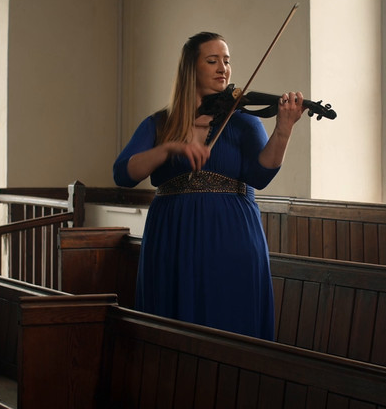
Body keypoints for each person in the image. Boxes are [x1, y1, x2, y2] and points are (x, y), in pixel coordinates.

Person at [113, 31, 304, 340]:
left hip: (232, 237)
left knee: (230, 320)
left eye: (226, 61)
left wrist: (283, 130)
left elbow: (260, 175)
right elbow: (123, 173)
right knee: (174, 325)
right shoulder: (161, 124)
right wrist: (168, 149)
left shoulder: (243, 121)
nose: (223, 69)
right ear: (191, 69)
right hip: (172, 237)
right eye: (212, 60)